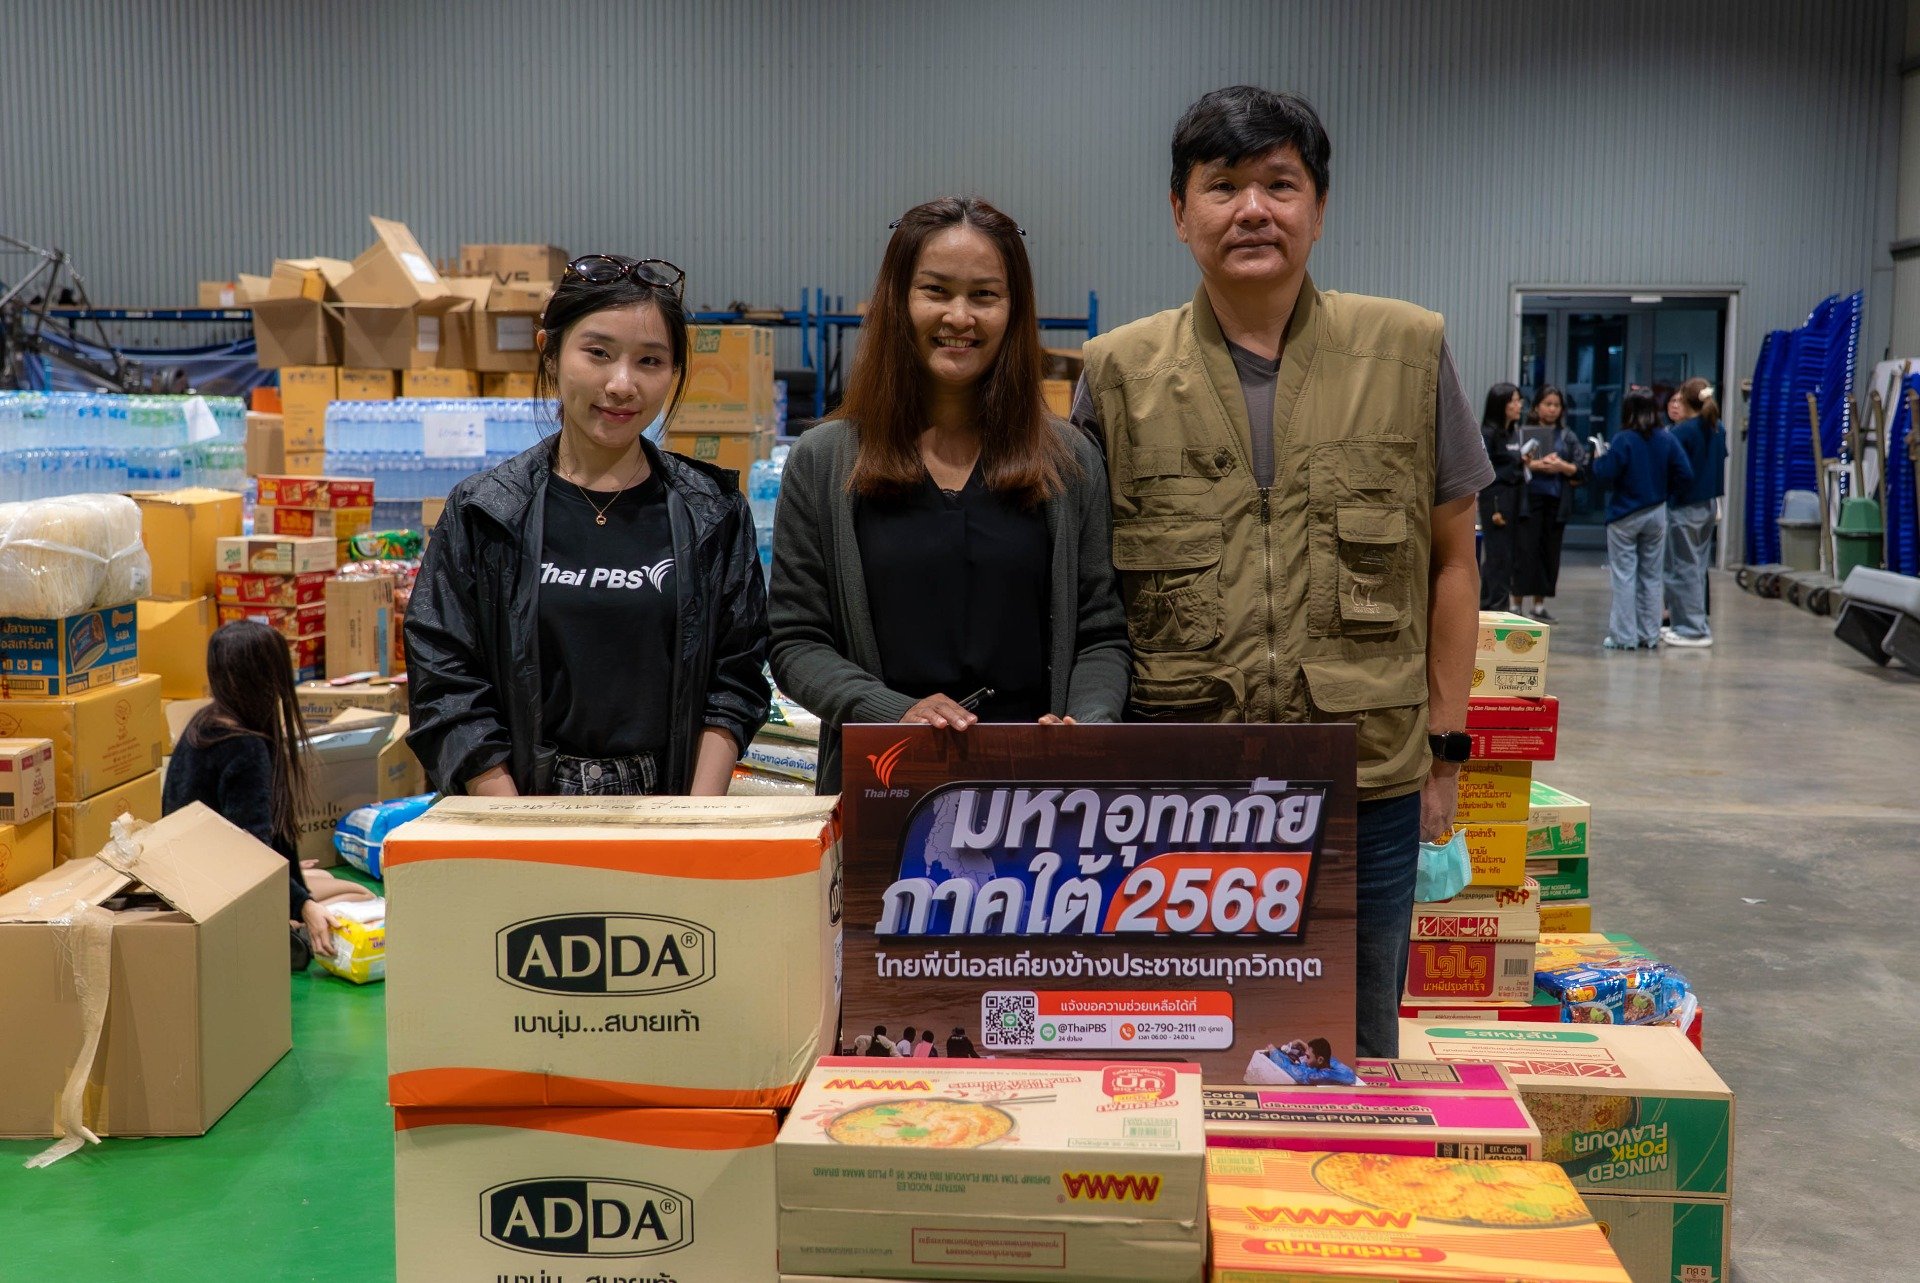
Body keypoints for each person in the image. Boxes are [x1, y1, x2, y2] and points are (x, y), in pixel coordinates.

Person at [1071, 86, 1493, 1059]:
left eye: (1280, 183)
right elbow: (1084, 594)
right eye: (1222, 186)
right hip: (1174, 788)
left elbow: (1454, 562)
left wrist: (1444, 754)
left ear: (1320, 207)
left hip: (1364, 781)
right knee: (1179, 1047)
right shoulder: (1118, 373)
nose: (1253, 209)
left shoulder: (1408, 352)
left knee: (1353, 1051)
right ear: (1179, 212)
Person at [769, 198, 1131, 792]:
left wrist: (1085, 725)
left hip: (1036, 794)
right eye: (936, 291)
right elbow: (796, 641)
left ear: (1013, 311)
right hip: (885, 787)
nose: (959, 316)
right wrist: (891, 711)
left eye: (984, 295)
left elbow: (1101, 634)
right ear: (898, 301)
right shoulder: (824, 459)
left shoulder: (1069, 460)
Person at [406, 255, 770, 796]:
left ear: (673, 373)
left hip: (670, 804)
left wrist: (696, 817)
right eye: (598, 353)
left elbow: (735, 674)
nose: (622, 385)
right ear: (550, 353)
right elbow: (444, 678)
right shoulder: (485, 511)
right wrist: (511, 820)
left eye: (650, 361)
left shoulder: (712, 511)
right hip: (517, 805)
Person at [161, 621, 372, 967]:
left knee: (325, 880)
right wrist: (304, 905)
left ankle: (290, 917)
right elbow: (251, 852)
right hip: (222, 896)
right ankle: (290, 929)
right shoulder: (244, 746)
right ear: (271, 676)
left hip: (190, 881)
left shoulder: (205, 723)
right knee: (358, 895)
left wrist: (295, 887)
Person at [1591, 391, 1694, 650]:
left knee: (1624, 576)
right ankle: (1649, 635)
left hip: (1624, 515)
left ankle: (1624, 637)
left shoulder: (1623, 439)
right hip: (1656, 512)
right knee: (1651, 575)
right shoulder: (1666, 438)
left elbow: (1605, 474)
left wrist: (1598, 460)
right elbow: (1685, 473)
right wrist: (1666, 495)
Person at [1663, 378, 1728, 648]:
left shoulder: (1682, 433)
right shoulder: (1717, 428)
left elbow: (1670, 468)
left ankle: (1691, 629)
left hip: (1685, 506)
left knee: (1683, 569)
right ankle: (1690, 623)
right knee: (1697, 567)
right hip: (1708, 505)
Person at [1513, 385, 1585, 620]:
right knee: (1524, 551)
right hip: (1528, 500)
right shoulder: (1522, 432)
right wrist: (1534, 465)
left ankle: (1539, 605)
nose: (1552, 409)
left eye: (1556, 405)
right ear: (1537, 407)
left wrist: (1561, 466)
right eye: (1548, 404)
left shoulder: (1567, 436)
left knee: (1549, 553)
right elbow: (1512, 464)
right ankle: (1516, 604)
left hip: (1555, 501)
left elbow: (1580, 468)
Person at [1477, 383, 1529, 611]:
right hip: (1496, 500)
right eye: (1514, 401)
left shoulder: (1513, 433)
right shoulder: (1488, 434)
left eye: (1519, 400)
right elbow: (1486, 470)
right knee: (1498, 554)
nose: (1519, 406)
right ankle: (1494, 605)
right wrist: (1515, 466)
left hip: (1514, 497)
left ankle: (1496, 603)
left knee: (1509, 555)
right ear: (1501, 405)